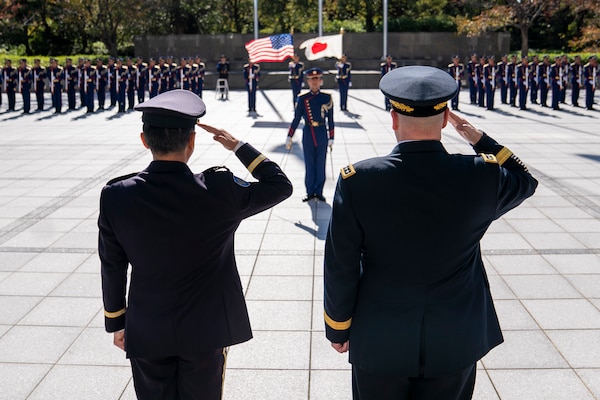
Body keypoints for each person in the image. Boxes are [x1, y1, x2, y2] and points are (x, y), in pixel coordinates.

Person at [324, 65, 538, 400]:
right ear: (444, 119)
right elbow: (525, 180)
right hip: (456, 335)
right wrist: (478, 138)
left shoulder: (359, 180)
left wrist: (337, 326)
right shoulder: (480, 175)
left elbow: (341, 264)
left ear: (393, 118)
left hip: (380, 336)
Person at [99, 89, 292, 400]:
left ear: (145, 140)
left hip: (148, 327)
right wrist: (238, 146)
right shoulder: (219, 189)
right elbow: (280, 186)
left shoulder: (117, 195)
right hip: (206, 329)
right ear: (191, 141)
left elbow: (112, 264)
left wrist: (116, 322)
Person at [286, 68, 334, 202]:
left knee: (320, 164)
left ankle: (319, 191)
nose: (314, 82)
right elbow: (296, 119)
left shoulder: (326, 98)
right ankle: (310, 191)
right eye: (312, 79)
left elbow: (330, 119)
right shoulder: (302, 99)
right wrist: (290, 135)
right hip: (308, 133)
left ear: (321, 81)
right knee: (309, 164)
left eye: (317, 79)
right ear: (308, 81)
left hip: (321, 133)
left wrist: (331, 137)